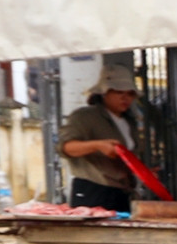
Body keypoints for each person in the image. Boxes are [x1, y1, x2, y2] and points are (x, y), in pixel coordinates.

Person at [58, 61, 144, 212]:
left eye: (130, 94)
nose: (125, 98)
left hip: (122, 191)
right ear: (104, 93)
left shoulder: (129, 122)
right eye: (119, 92)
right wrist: (97, 145)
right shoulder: (84, 116)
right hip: (93, 190)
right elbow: (65, 148)